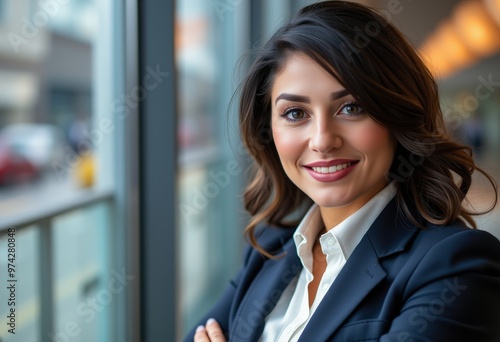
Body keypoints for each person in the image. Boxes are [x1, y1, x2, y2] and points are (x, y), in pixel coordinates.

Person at [185, 1, 500, 341]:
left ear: (397, 117)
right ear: (269, 129)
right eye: (294, 113)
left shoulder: (455, 264)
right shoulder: (268, 248)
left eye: (351, 107)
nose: (322, 140)